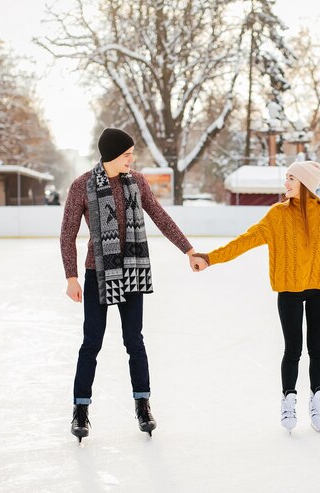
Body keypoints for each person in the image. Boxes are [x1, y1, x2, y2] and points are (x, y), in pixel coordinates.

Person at [60, 128, 207, 441]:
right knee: (92, 342)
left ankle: (143, 404)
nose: (132, 159)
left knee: (133, 340)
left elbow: (159, 215)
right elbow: (67, 234)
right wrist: (71, 276)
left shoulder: (137, 182)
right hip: (97, 272)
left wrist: (188, 249)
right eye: (127, 154)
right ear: (112, 154)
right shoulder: (82, 186)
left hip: (132, 270)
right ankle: (80, 410)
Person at [193, 161, 320, 433]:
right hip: (289, 289)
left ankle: (317, 400)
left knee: (317, 348)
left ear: (305, 183)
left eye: (291, 178)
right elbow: (245, 240)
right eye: (286, 177)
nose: (286, 183)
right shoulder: (277, 215)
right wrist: (210, 258)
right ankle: (288, 399)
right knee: (293, 349)